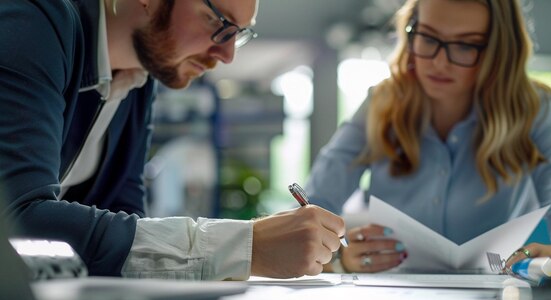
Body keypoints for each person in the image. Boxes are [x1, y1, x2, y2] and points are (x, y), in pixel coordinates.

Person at [0, 0, 345, 280]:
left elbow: (123, 225)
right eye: (218, 22)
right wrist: (241, 246)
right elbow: (16, 220)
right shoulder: (32, 19)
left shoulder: (140, 76)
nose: (226, 56)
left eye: (238, 34)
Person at [305, 0, 551, 277]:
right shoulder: (380, 105)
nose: (439, 62)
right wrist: (341, 256)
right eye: (428, 37)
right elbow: (309, 214)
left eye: (465, 46)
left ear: (497, 51)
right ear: (411, 32)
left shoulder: (533, 112)